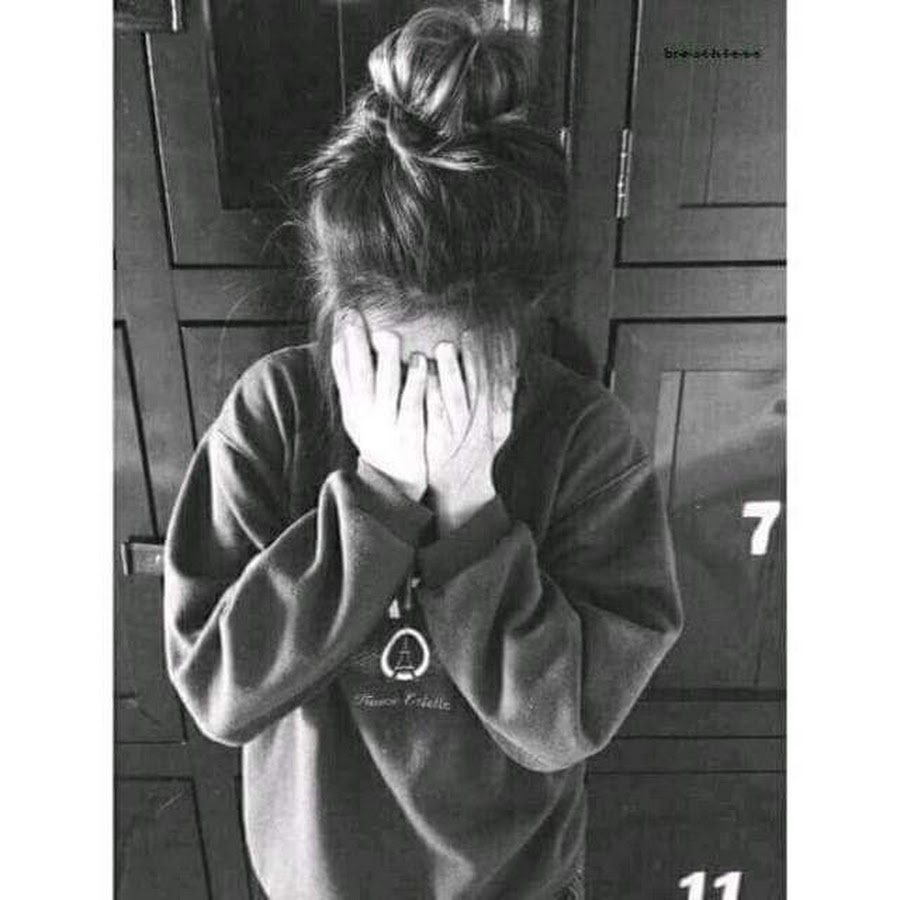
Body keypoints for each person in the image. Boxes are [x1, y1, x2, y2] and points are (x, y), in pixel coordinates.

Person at [162, 8, 683, 899]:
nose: (422, 403)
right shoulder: (276, 412)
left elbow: (561, 725)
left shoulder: (584, 438)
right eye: (391, 365)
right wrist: (381, 494)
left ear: (514, 330)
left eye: (454, 368)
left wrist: (472, 508)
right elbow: (221, 693)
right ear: (340, 321)